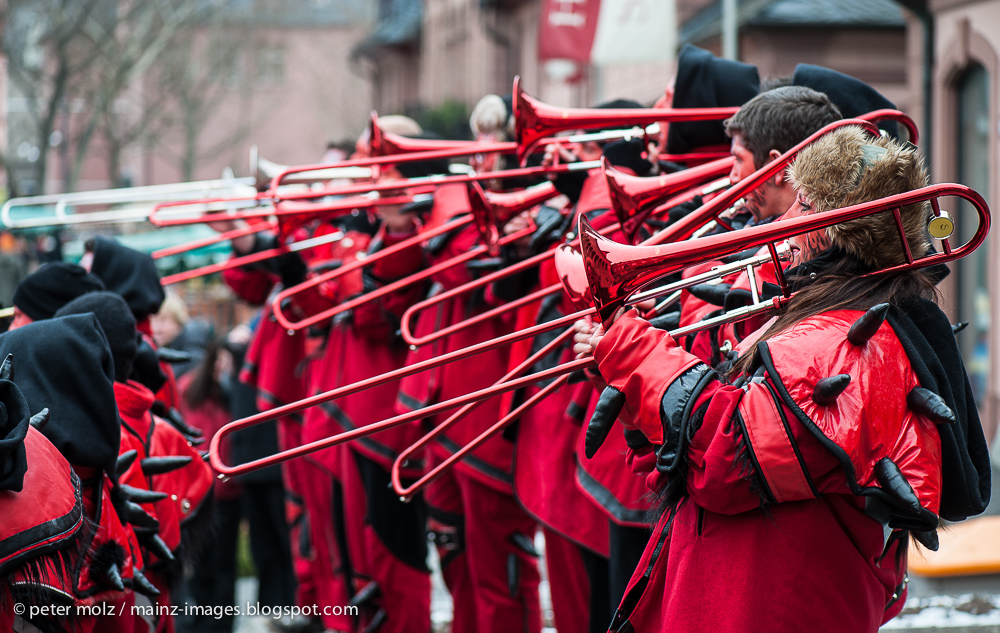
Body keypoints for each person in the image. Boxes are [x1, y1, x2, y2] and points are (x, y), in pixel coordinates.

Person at [573, 126, 991, 631]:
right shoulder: (825, 320)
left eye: (806, 206)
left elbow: (730, 462)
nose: (785, 221)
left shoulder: (851, 341)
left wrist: (635, 352)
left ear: (842, 231)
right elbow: (687, 463)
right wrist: (626, 377)